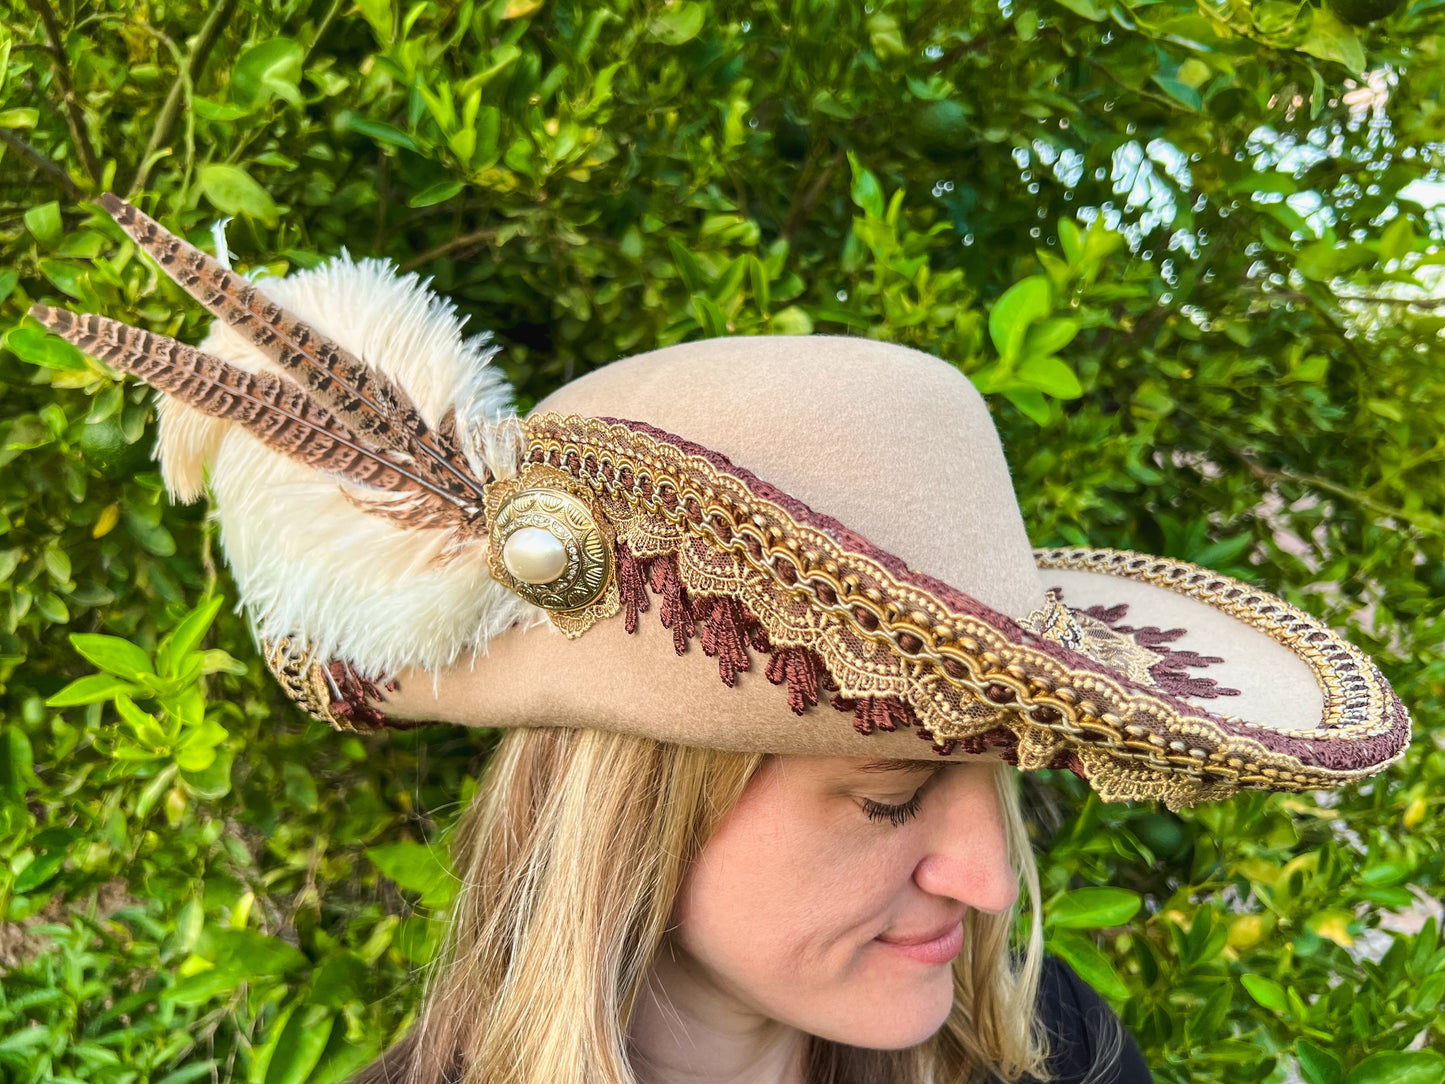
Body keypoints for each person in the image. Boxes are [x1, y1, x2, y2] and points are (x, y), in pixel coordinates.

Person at [32, 195, 1409, 1084]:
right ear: (633, 804)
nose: (989, 880)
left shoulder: (1049, 1051)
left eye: (1007, 784)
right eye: (886, 797)